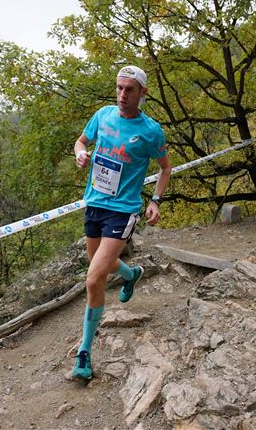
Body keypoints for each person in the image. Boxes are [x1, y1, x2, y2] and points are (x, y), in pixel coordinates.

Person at [72, 65, 172, 380]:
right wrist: (80, 153)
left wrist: (155, 201)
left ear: (142, 93)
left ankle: (84, 353)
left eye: (129, 90)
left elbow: (165, 168)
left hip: (124, 210)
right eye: (119, 88)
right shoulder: (102, 116)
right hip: (95, 204)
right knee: (100, 265)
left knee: (93, 279)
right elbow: (80, 141)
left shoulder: (151, 131)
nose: (122, 95)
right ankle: (132, 275)